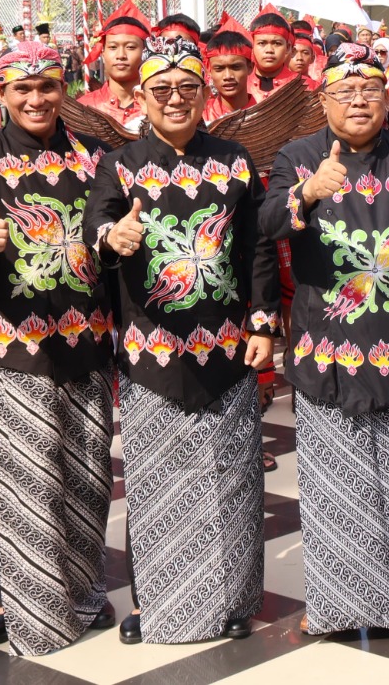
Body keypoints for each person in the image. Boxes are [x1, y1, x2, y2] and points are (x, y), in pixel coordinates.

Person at [259, 42, 389, 634]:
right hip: (324, 347)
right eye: (344, 92)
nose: (357, 101)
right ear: (323, 100)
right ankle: (332, 605)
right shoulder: (296, 158)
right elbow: (266, 225)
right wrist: (307, 193)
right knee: (332, 484)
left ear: (386, 98)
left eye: (369, 90)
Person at [87, 37, 278, 644]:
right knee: (156, 482)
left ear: (206, 94)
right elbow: (98, 221)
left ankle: (233, 598)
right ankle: (156, 602)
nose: (175, 100)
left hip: (226, 344)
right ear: (141, 96)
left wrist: (265, 320)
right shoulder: (120, 163)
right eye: (162, 90)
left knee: (231, 477)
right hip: (153, 349)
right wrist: (111, 237)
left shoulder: (236, 158)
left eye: (187, 89)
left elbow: (257, 247)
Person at [0, 42, 115, 656]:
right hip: (15, 341)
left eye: (46, 87)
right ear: (2, 94)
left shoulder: (99, 157)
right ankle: (8, 595)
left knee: (88, 466)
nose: (36, 99)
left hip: (90, 337)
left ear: (62, 87)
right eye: (22, 89)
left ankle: (84, 586)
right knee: (24, 469)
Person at [78, 5, 151, 132]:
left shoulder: (158, 107)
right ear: (103, 52)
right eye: (113, 47)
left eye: (130, 47)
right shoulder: (85, 107)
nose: (121, 55)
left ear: (145, 52)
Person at [203, 21, 259, 123]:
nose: (228, 76)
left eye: (236, 67)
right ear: (209, 71)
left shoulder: (265, 116)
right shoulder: (201, 117)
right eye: (219, 69)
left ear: (250, 67)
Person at [250, 6, 300, 98]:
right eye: (262, 43)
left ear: (288, 47)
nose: (269, 50)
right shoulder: (239, 88)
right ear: (252, 46)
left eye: (277, 43)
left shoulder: (306, 88)